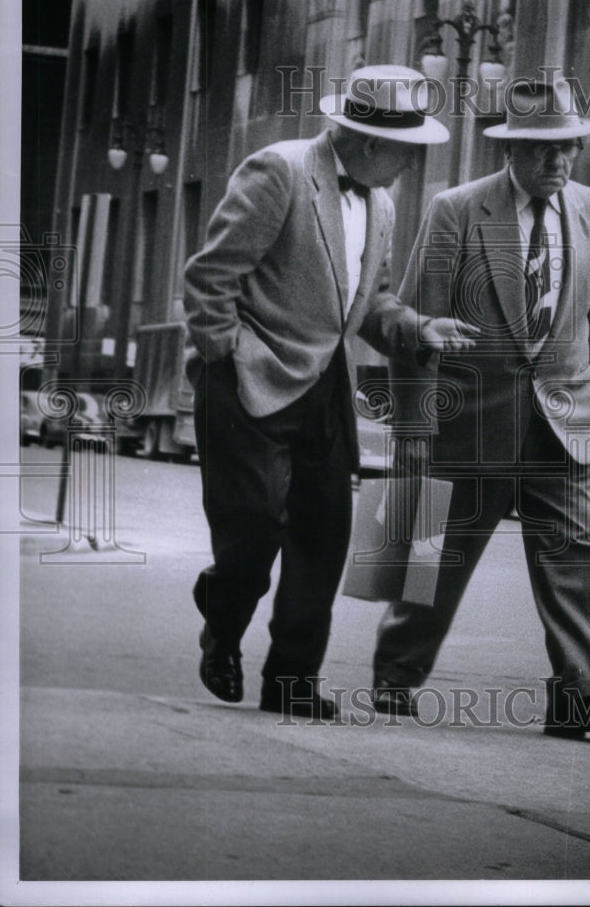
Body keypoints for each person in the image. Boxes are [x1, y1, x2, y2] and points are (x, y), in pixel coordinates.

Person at [183, 64, 477, 720]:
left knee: (322, 538)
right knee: (253, 531)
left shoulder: (381, 204)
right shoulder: (279, 171)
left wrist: (419, 327)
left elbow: (370, 305)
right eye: (409, 150)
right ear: (371, 143)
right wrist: (225, 356)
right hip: (246, 381)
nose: (411, 165)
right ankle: (222, 623)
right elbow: (209, 280)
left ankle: (291, 681)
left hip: (325, 389)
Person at [371, 74, 590, 737]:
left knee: (575, 552)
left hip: (565, 417)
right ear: (510, 151)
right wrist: (412, 423)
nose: (560, 162)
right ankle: (394, 678)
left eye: (570, 149)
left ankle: (581, 692)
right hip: (468, 418)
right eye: (545, 150)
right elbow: (416, 318)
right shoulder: (456, 208)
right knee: (433, 548)